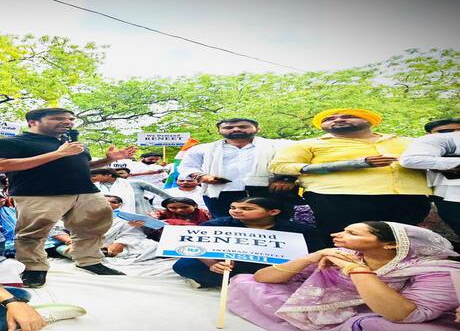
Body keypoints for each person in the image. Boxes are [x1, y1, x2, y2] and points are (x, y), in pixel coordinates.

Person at [228, 222, 460, 331]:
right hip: (332, 308)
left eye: (351, 233)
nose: (337, 234)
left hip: (385, 317)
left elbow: (407, 314)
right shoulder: (345, 253)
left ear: (389, 245)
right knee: (243, 281)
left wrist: (355, 270)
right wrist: (311, 258)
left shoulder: (435, 270)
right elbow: (262, 277)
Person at [0, 108, 137, 287]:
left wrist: (107, 160)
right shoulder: (9, 142)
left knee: (94, 226)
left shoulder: (72, 144)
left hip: (85, 191)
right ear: (32, 122)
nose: (68, 122)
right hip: (38, 193)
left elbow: (83, 165)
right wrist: (58, 153)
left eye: (71, 119)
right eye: (58, 118)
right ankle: (33, 269)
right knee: (33, 233)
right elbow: (0, 165)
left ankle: (90, 261)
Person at [269, 108, 431, 236]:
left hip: (407, 198)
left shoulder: (409, 141)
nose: (338, 119)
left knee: (401, 240)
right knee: (343, 240)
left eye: (348, 116)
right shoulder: (308, 144)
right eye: (329, 119)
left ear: (370, 121)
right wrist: (355, 164)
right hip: (337, 199)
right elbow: (280, 166)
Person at [172, 197, 328, 288]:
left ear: (273, 212)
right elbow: (198, 248)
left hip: (272, 267)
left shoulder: (299, 230)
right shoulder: (214, 225)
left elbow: (313, 254)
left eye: (246, 208)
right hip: (228, 264)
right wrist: (212, 263)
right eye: (233, 208)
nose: (236, 211)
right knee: (184, 265)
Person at [179, 118, 297, 218]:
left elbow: (299, 160)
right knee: (227, 225)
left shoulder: (280, 145)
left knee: (275, 223)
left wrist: (287, 179)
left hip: (269, 191)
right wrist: (202, 177)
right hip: (221, 193)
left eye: (243, 126)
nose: (236, 129)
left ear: (258, 129)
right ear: (219, 131)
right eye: (228, 128)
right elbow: (188, 167)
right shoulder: (202, 149)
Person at [400, 119, 460, 236]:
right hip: (450, 196)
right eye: (447, 131)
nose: (455, 134)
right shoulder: (424, 145)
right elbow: (411, 160)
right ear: (429, 134)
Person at [90, 167, 173, 215]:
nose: (91, 178)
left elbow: (164, 195)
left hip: (140, 218)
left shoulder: (137, 184)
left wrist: (170, 208)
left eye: (94, 176)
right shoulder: (92, 187)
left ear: (108, 175)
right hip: (105, 220)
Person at [100, 195, 158, 259]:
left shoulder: (126, 218)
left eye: (113, 202)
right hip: (96, 242)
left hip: (123, 243)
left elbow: (133, 234)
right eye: (105, 201)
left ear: (120, 205)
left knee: (153, 245)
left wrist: (120, 243)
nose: (109, 204)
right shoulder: (90, 215)